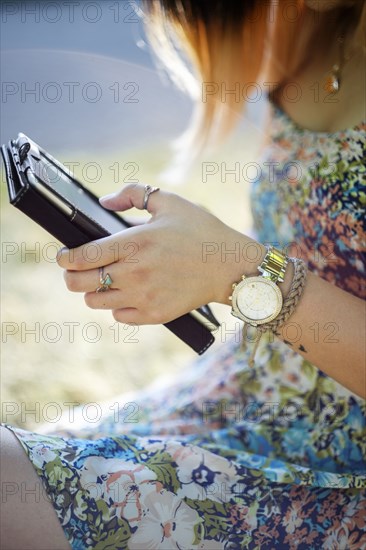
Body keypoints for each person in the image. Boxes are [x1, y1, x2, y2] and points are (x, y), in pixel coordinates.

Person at [1, 0, 365, 548]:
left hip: (336, 473)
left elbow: (245, 264)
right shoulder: (311, 25)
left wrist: (234, 266)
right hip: (237, 388)